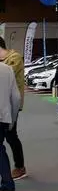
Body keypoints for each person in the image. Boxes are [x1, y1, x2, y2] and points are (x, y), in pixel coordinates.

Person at [0, 37, 26, 180]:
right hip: (2, 102)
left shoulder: (14, 57)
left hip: (11, 103)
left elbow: (6, 71)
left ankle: (20, 166)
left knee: (11, 136)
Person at [0, 61, 22, 191]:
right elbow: (16, 98)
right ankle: (7, 183)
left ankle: (8, 183)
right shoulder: (7, 69)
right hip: (3, 116)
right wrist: (12, 119)